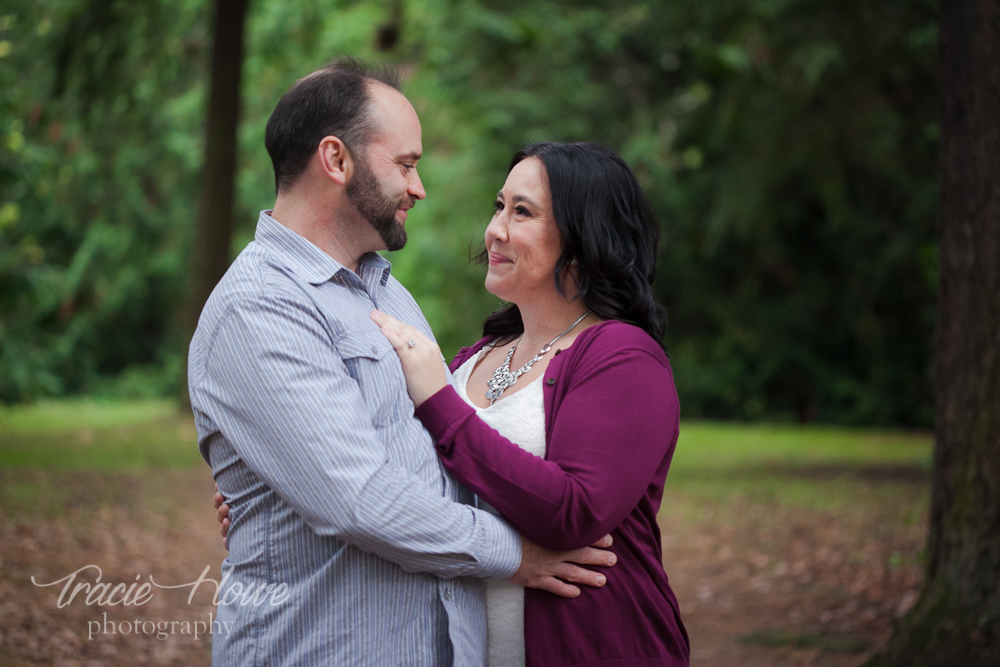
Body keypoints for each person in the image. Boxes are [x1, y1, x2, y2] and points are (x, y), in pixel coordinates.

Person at [189, 59, 614, 667]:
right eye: (406, 165)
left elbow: (431, 452)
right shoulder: (259, 308)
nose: (419, 188)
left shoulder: (386, 291)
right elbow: (358, 498)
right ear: (336, 161)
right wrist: (515, 552)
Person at [370, 141, 690, 666]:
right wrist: (292, 486)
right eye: (500, 206)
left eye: (523, 212)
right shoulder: (478, 356)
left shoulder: (624, 356)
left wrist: (437, 400)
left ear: (585, 237)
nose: (495, 229)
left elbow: (575, 511)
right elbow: (404, 472)